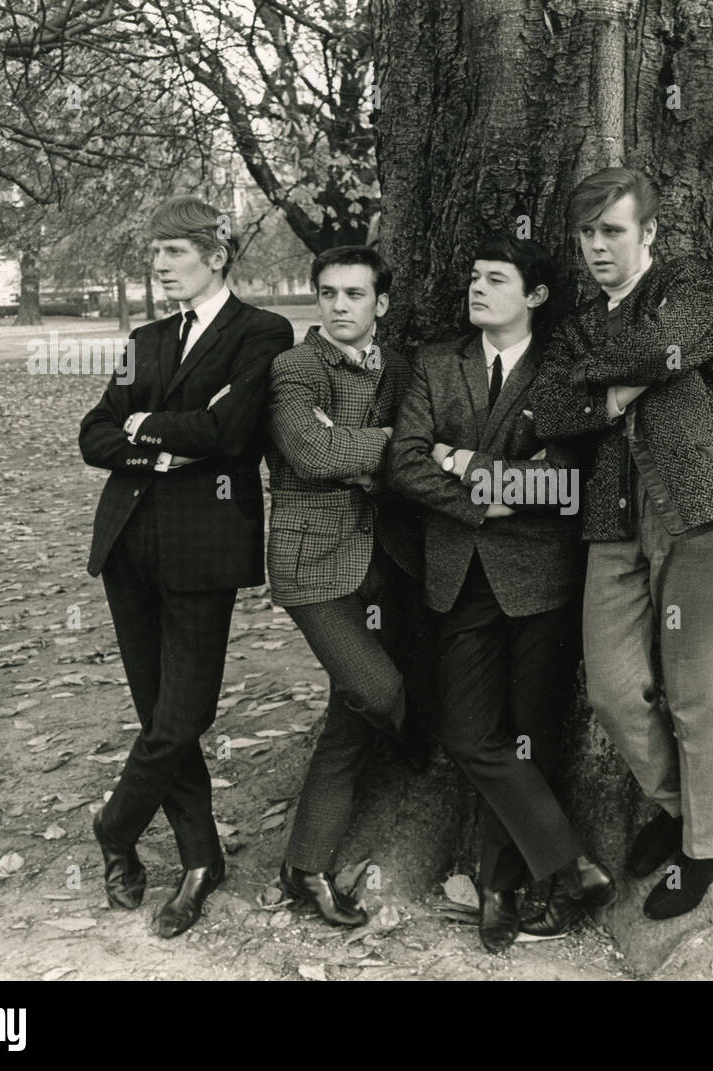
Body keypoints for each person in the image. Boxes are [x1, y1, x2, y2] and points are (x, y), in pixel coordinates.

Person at [531, 168, 713, 921]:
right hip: (614, 517)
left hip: (701, 506)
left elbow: (674, 343)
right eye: (587, 233)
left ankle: (703, 847)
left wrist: (601, 385)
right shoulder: (577, 321)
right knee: (612, 688)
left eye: (613, 230)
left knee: (693, 685)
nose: (598, 246)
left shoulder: (687, 282)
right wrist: (610, 388)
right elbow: (548, 409)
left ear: (647, 235)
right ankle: (683, 805)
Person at [388, 234, 615, 952]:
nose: (477, 289)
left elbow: (566, 483)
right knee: (467, 732)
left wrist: (465, 461)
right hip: (459, 571)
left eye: (495, 278)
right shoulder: (435, 363)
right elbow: (405, 463)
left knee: (531, 735)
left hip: (541, 580)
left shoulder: (562, 371)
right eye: (474, 277)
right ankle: (569, 864)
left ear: (536, 296)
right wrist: (485, 499)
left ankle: (501, 884)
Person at [79, 196, 294, 937]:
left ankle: (115, 825)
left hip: (204, 544)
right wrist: (157, 440)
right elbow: (95, 433)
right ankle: (200, 860)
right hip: (129, 540)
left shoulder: (260, 332)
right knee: (156, 711)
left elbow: (228, 432)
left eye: (175, 251)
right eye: (156, 252)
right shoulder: (146, 336)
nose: (162, 265)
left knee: (186, 711)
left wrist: (148, 425)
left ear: (216, 254)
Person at [264, 245, 426, 927]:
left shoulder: (401, 370)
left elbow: (415, 451)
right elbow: (309, 451)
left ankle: (306, 865)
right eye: (327, 292)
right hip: (311, 565)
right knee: (380, 690)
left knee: (349, 715)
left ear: (379, 304)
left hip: (383, 562)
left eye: (354, 294)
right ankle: (422, 742)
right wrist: (386, 450)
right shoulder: (295, 367)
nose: (337, 306)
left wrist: (362, 453)